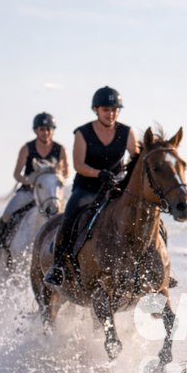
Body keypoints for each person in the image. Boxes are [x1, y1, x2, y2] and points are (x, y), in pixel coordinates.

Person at [43, 86, 139, 286]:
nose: (110, 114)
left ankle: (156, 265)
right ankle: (58, 265)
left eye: (114, 110)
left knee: (145, 215)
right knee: (69, 218)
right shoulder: (83, 133)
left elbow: (136, 158)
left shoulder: (127, 132)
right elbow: (79, 165)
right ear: (96, 110)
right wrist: (99, 174)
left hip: (115, 189)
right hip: (87, 188)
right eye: (106, 110)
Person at [0, 113, 69, 264]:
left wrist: (57, 177)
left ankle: (66, 252)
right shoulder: (27, 148)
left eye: (49, 129)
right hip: (29, 191)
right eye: (42, 129)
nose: (46, 132)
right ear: (36, 130)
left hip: (50, 192)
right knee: (8, 214)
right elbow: (17, 174)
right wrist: (30, 180)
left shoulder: (60, 149)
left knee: (68, 216)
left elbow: (66, 173)